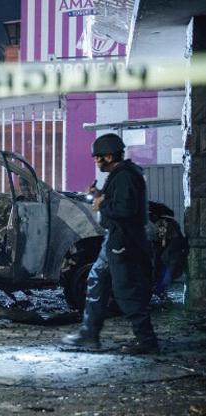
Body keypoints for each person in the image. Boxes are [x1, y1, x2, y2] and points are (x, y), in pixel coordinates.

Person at [62, 133, 158, 354]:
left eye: (98, 157)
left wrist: (101, 205)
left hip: (123, 241)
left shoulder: (125, 176)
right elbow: (118, 201)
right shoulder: (121, 174)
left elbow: (125, 210)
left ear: (109, 156)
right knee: (96, 281)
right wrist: (99, 195)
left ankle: (146, 339)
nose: (96, 161)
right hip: (114, 239)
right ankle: (89, 334)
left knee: (126, 290)